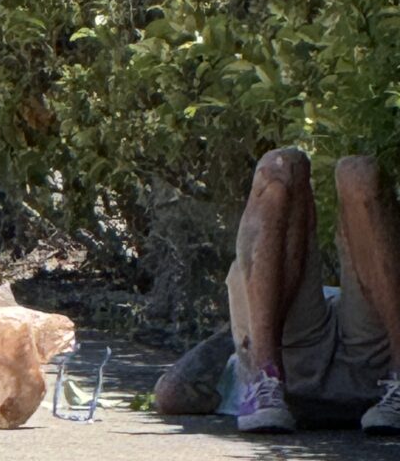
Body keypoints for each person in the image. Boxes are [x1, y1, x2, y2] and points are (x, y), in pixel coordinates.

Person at [155, 148, 400, 434]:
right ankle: (265, 376)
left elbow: (172, 390)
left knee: (358, 173)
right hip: (298, 361)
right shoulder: (214, 378)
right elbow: (171, 392)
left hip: (371, 362)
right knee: (281, 167)